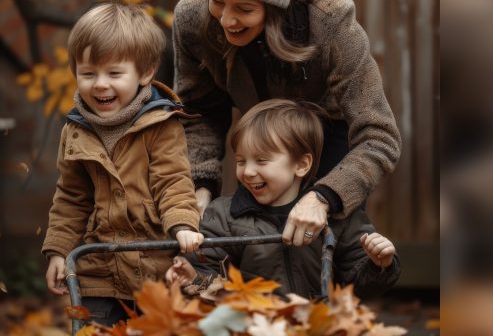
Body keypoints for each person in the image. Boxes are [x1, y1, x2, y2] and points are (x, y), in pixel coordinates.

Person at [174, 0, 401, 248]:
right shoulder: (192, 18)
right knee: (254, 247)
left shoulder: (329, 16)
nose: (227, 20)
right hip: (261, 138)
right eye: (217, 1)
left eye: (244, 9)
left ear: (275, 5)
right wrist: (199, 186)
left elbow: (380, 136)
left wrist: (325, 196)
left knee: (330, 248)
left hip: (330, 131)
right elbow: (199, 111)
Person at [42, 3, 205, 326]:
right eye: (88, 74)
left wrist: (183, 224)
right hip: (98, 269)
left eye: (114, 73)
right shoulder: (75, 131)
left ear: (145, 73)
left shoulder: (161, 124)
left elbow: (173, 181)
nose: (100, 84)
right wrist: (59, 252)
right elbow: (71, 198)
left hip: (154, 266)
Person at [165, 99, 399, 299]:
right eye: (241, 161)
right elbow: (205, 269)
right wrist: (193, 277)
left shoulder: (338, 217)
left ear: (301, 164)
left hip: (316, 329)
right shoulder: (224, 216)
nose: (247, 172)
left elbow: (359, 284)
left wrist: (379, 264)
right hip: (251, 330)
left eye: (262, 161)